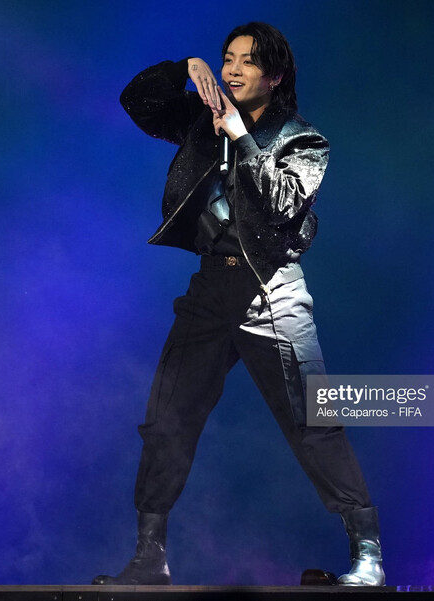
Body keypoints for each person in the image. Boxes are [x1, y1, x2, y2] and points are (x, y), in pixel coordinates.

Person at [93, 22, 384, 587]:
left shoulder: (304, 140)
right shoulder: (202, 121)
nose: (232, 70)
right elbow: (137, 102)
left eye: (247, 62)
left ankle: (366, 551)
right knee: (167, 419)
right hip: (211, 290)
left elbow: (279, 207)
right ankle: (150, 556)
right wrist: (186, 66)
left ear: (274, 77)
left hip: (272, 288)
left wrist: (241, 136)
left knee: (312, 421)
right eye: (227, 58)